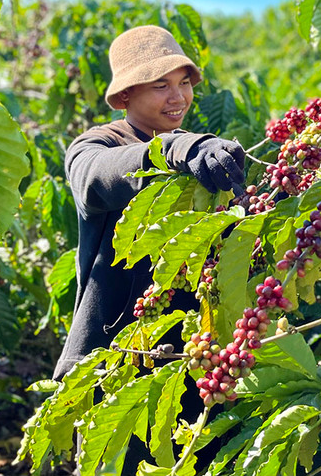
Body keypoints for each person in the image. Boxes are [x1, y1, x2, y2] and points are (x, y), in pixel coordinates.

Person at [53, 24, 245, 379]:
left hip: (197, 357)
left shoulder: (198, 149)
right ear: (125, 96)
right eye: (161, 86)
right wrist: (171, 150)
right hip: (111, 359)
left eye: (184, 83)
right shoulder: (97, 145)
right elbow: (97, 175)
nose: (178, 98)